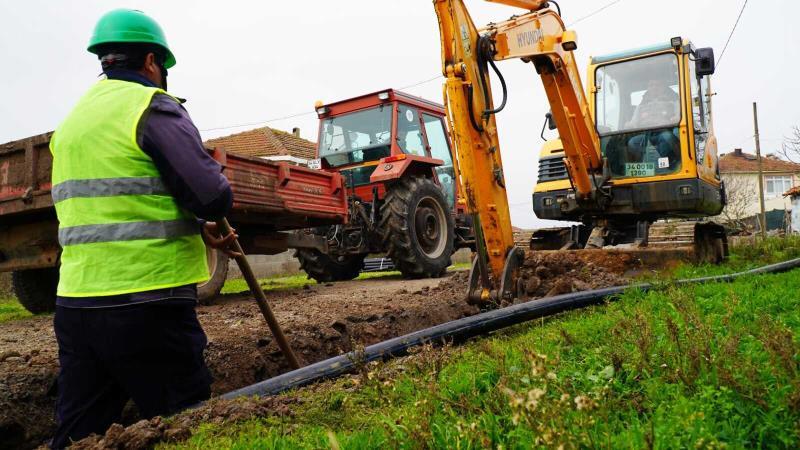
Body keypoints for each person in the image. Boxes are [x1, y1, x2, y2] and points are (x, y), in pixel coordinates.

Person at [49, 9, 237, 448]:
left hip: (76, 307)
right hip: (147, 303)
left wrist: (194, 226)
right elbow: (212, 195)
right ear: (152, 62)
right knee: (184, 425)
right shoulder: (150, 106)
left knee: (82, 433)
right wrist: (207, 208)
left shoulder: (72, 121)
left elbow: (116, 202)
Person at [625, 78, 681, 173]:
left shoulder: (673, 101)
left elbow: (679, 115)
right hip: (647, 134)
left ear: (663, 87)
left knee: (667, 137)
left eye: (657, 85)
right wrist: (628, 124)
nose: (654, 87)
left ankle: (668, 165)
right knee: (632, 142)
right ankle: (645, 167)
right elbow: (634, 121)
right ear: (648, 88)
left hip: (664, 131)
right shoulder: (641, 105)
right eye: (651, 85)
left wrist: (675, 119)